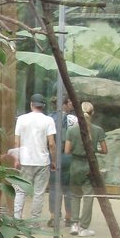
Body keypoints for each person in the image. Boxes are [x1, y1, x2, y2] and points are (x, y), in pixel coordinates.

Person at [64, 101, 107, 237]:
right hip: (90, 165)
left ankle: (74, 224)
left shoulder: (72, 130)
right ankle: (84, 227)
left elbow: (67, 151)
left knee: (75, 195)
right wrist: (95, 150)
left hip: (76, 165)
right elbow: (105, 150)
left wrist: (77, 149)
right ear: (92, 113)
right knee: (88, 196)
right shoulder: (98, 130)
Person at [12, 93, 56, 222]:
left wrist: (16, 159)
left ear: (31, 104)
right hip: (42, 162)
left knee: (20, 191)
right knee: (38, 193)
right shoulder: (48, 120)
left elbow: (16, 142)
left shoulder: (21, 119)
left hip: (25, 161)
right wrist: (53, 161)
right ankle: (34, 223)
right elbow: (52, 143)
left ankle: (17, 221)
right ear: (43, 106)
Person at [47, 95, 76, 227]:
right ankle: (69, 217)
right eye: (70, 102)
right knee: (67, 188)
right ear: (64, 104)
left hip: (53, 155)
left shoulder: (49, 118)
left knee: (53, 187)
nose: (72, 105)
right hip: (68, 155)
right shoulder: (73, 119)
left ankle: (54, 216)